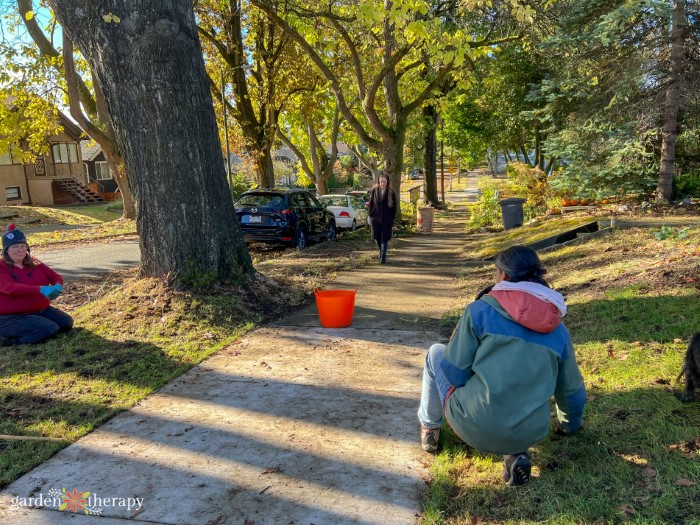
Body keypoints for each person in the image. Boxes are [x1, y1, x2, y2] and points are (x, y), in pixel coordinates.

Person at [417, 246, 586, 486]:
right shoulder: (558, 328)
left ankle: (429, 429)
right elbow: (571, 392)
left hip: (473, 423)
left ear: (503, 276)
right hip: (530, 431)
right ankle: (515, 454)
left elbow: (455, 374)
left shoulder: (480, 311)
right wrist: (570, 426)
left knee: (435, 353)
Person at [0, 224, 73, 346]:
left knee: (66, 323)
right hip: (11, 317)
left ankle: (34, 325)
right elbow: (9, 287)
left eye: (23, 246)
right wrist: (40, 289)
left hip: (40, 310)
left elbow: (55, 277)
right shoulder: (1, 266)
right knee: (49, 329)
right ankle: (8, 341)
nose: (20, 250)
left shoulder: (33, 261)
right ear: (6, 250)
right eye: (15, 247)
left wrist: (57, 286)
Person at [368, 173, 397, 264]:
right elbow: (371, 203)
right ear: (378, 182)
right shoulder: (374, 191)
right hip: (375, 218)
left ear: (387, 182)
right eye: (381, 182)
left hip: (387, 218)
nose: (382, 183)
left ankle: (383, 256)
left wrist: (392, 217)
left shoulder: (391, 192)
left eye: (384, 182)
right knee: (377, 237)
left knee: (385, 237)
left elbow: (395, 206)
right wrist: (370, 214)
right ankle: (381, 251)